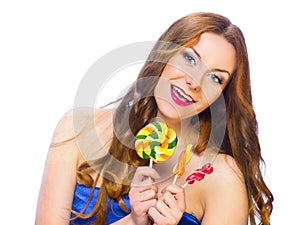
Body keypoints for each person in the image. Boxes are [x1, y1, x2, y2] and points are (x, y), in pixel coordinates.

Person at [35, 12, 273, 225]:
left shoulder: (222, 178)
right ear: (164, 54)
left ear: (223, 95)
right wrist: (134, 222)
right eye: (189, 59)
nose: (195, 82)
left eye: (215, 78)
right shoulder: (79, 129)